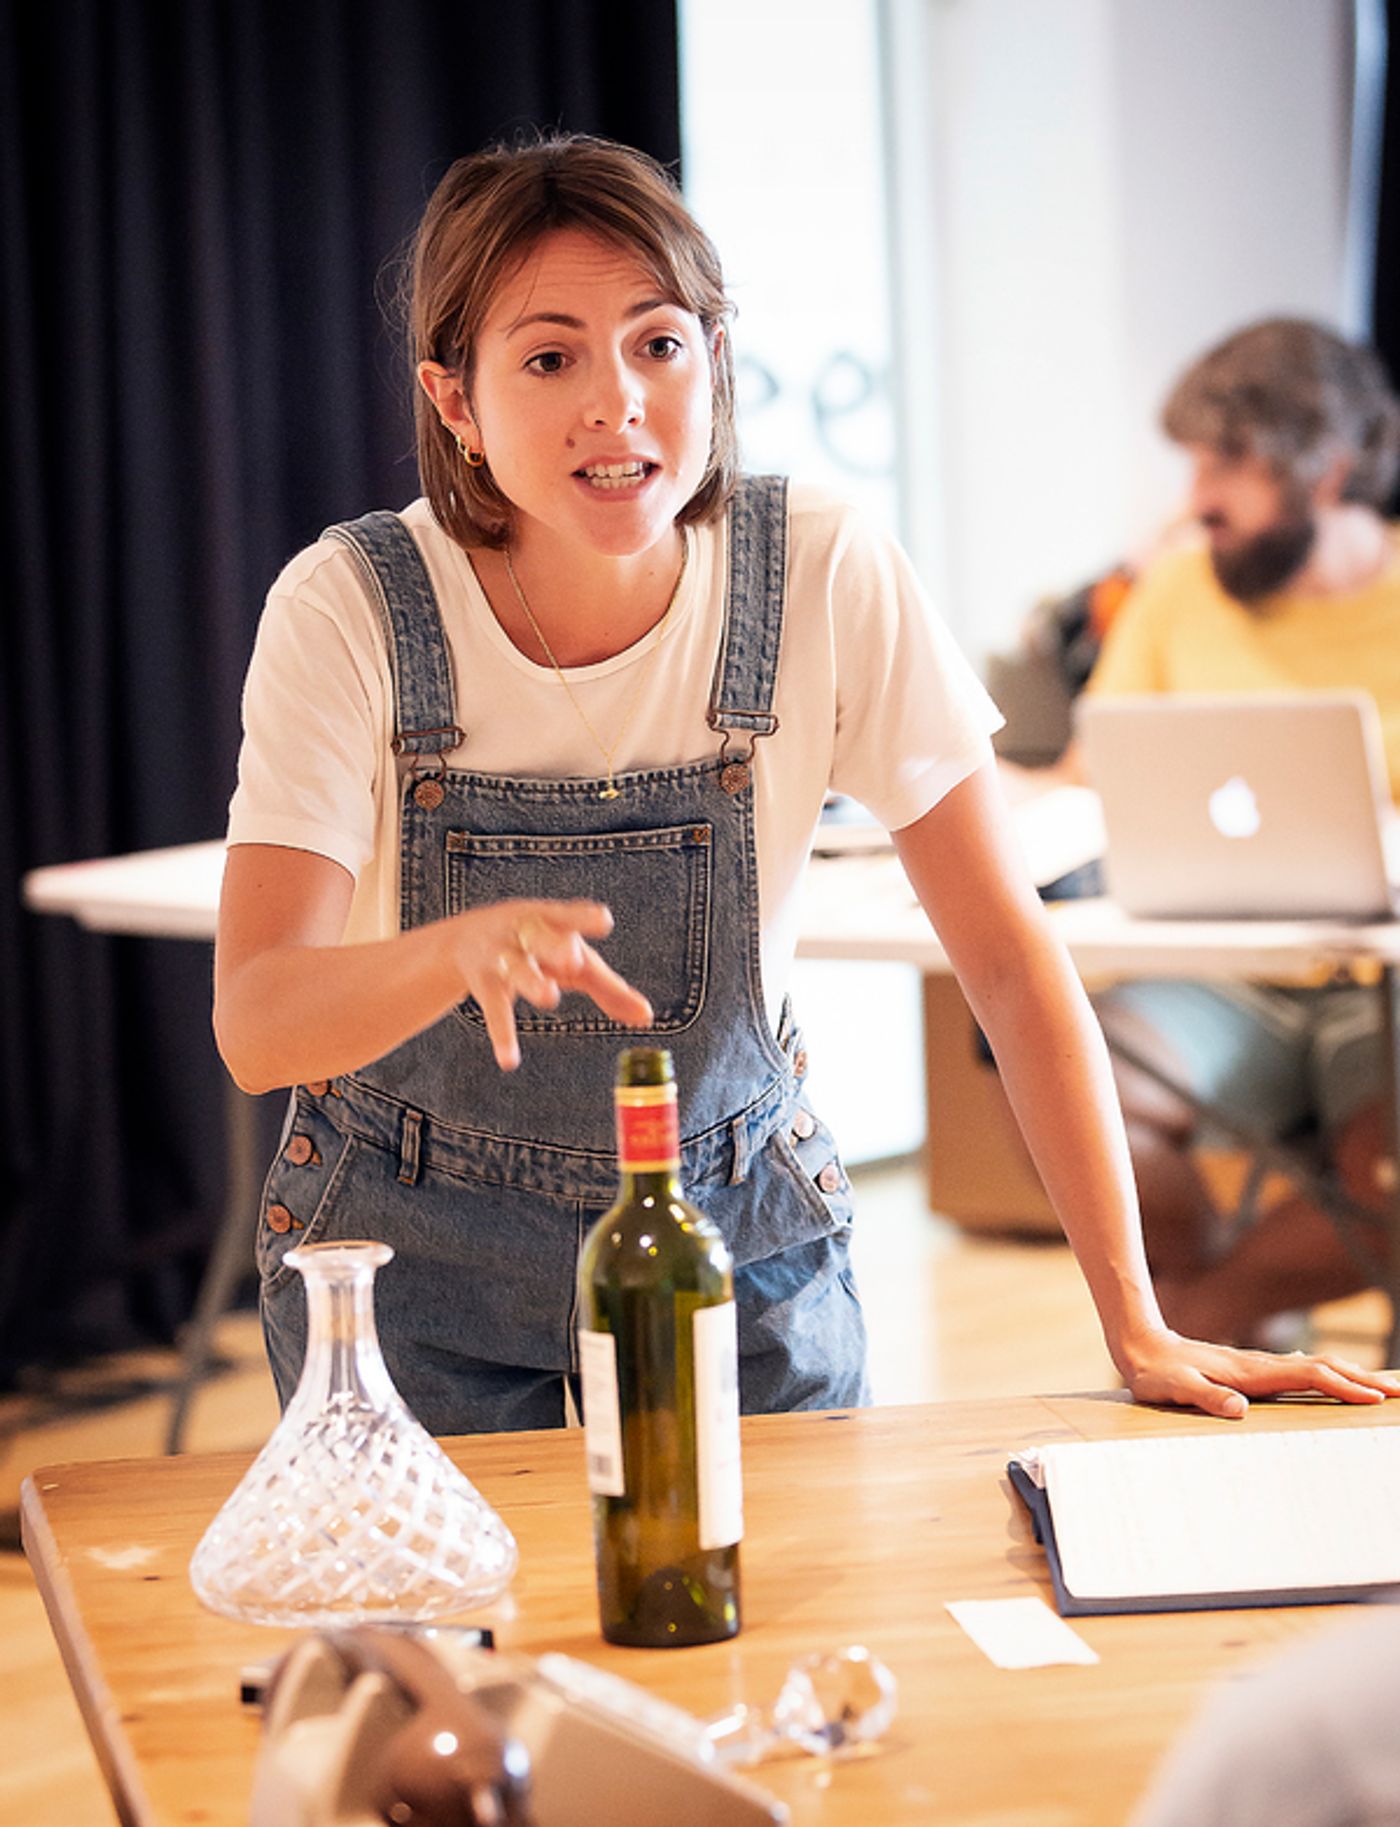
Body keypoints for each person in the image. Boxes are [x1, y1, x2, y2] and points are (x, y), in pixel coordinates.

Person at [213, 139, 1400, 1435]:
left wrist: (1137, 1318)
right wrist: (458, 950)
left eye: (658, 343)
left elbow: (1006, 952)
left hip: (742, 1232)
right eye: (550, 357)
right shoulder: (350, 606)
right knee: (443, 1644)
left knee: (783, 1631)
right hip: (410, 1250)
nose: (617, 401)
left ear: (714, 361)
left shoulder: (821, 570)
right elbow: (260, 1021)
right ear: (456, 401)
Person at [1076, 318, 1400, 1346]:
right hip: (1217, 971)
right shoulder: (1177, 589)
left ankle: (1202, 1318)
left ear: (1330, 467)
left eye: (1228, 465)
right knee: (1063, 1080)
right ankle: (1228, 1306)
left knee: (1387, 1167)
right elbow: (1089, 776)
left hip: (1378, 980)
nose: (1195, 499)